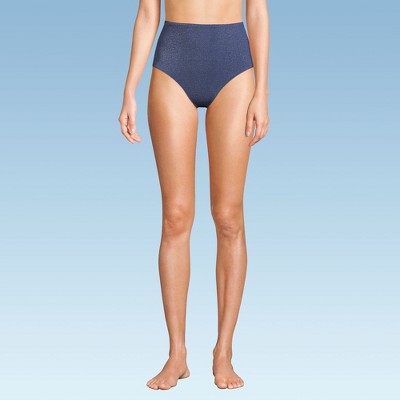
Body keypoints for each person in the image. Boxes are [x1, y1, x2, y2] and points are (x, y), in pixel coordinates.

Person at [118, 0, 270, 391]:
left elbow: (257, 11)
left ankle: (224, 351)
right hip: (173, 61)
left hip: (234, 64)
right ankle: (177, 354)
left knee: (229, 217)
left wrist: (262, 92)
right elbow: (148, 13)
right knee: (175, 217)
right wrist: (129, 88)